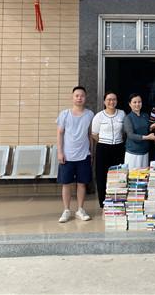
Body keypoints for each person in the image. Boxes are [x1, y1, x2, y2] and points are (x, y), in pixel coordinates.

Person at [56, 86, 94, 223]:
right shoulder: (64, 114)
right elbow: (59, 134)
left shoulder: (90, 114)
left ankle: (80, 210)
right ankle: (66, 210)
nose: (79, 98)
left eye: (82, 96)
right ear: (72, 97)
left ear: (85, 97)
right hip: (67, 155)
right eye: (77, 95)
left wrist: (91, 152)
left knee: (82, 183)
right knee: (66, 184)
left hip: (84, 154)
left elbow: (90, 134)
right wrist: (60, 152)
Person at [91, 91, 126, 208]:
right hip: (103, 148)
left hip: (118, 147)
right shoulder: (99, 116)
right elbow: (94, 134)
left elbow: (124, 131)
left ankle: (117, 201)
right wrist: (104, 141)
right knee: (102, 176)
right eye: (109, 99)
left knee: (119, 175)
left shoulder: (122, 114)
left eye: (114, 99)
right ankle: (103, 202)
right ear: (104, 102)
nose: (111, 102)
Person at [123, 93, 155, 169]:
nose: (137, 104)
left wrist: (152, 127)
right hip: (133, 153)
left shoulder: (145, 115)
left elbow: (146, 130)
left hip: (145, 151)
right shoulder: (128, 118)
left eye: (139, 102)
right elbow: (131, 135)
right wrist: (147, 137)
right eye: (134, 102)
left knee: (144, 174)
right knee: (132, 175)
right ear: (130, 104)